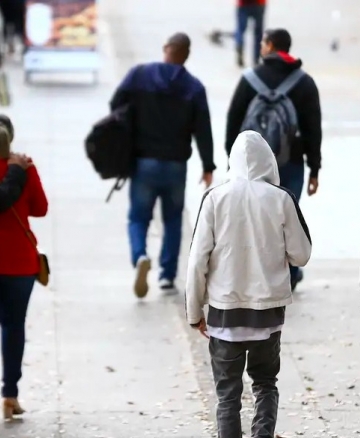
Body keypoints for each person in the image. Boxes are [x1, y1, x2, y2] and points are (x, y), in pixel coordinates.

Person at [186, 131, 311, 438]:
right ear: (268, 162)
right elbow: (301, 255)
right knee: (265, 384)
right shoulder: (281, 199)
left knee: (227, 397)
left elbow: (197, 261)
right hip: (267, 315)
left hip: (224, 313)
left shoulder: (215, 199)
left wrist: (195, 311)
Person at [110, 33, 216, 298]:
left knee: (138, 217)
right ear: (186, 55)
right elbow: (203, 129)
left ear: (166, 49)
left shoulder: (139, 76)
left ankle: (140, 256)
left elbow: (115, 105)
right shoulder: (193, 87)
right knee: (172, 220)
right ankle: (167, 276)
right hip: (175, 166)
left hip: (143, 162)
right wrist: (208, 165)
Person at [225, 28, 321, 291]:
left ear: (269, 46)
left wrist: (230, 160)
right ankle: (289, 274)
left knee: (253, 218)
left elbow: (233, 120)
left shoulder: (249, 79)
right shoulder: (304, 82)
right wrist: (314, 168)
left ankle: (257, 274)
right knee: (287, 217)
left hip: (251, 166)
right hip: (290, 162)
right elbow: (313, 128)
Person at [0, 115, 48, 421]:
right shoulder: (25, 169)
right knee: (13, 326)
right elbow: (40, 209)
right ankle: (10, 395)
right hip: (19, 264)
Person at [235, 0, 266, 67]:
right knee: (258, 32)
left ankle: (239, 43)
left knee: (240, 29)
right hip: (259, 3)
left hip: (243, 4)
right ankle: (256, 58)